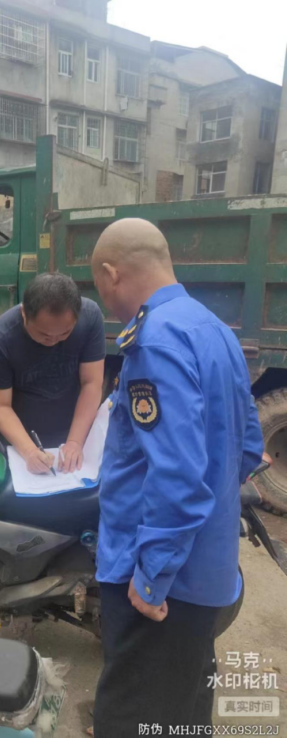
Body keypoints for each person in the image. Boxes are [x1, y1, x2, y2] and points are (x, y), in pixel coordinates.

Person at [90, 219, 264, 738]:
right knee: (183, 709)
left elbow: (177, 477)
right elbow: (248, 444)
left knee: (133, 716)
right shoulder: (213, 328)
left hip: (162, 581)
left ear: (111, 273)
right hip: (206, 569)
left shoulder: (155, 342)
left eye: (99, 286)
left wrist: (151, 577)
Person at [0, 273, 106, 475]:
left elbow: (91, 383)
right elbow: (0, 406)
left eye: (65, 333)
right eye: (44, 334)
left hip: (75, 430)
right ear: (24, 313)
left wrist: (75, 442)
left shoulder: (89, 317)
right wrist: (29, 451)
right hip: (21, 439)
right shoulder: (2, 339)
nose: (53, 340)